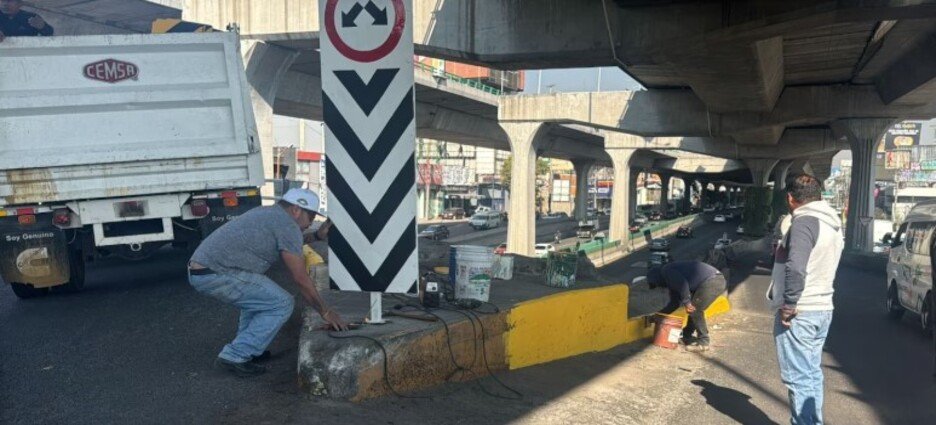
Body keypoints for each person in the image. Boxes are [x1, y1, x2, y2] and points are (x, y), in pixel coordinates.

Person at [188, 188, 347, 377]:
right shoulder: (287, 225)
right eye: (311, 215)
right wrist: (325, 311)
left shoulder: (269, 214)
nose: (312, 221)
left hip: (204, 269)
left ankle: (248, 350)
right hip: (216, 272)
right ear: (296, 210)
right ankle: (235, 356)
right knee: (281, 303)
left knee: (258, 301)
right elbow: (300, 278)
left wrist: (317, 237)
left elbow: (289, 244)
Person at [767, 173, 843, 424]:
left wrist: (789, 305)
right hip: (822, 307)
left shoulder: (804, 222)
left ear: (790, 198)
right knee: (811, 375)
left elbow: (796, 267)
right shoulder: (831, 223)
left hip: (801, 310)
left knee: (798, 379)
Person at [647, 260, 727, 352]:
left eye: (657, 284)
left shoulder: (667, 271)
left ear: (657, 278)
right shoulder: (671, 279)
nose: (660, 287)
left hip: (713, 281)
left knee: (694, 310)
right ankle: (686, 336)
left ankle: (704, 342)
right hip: (711, 281)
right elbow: (674, 303)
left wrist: (687, 302)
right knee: (693, 308)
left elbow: (683, 285)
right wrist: (658, 316)